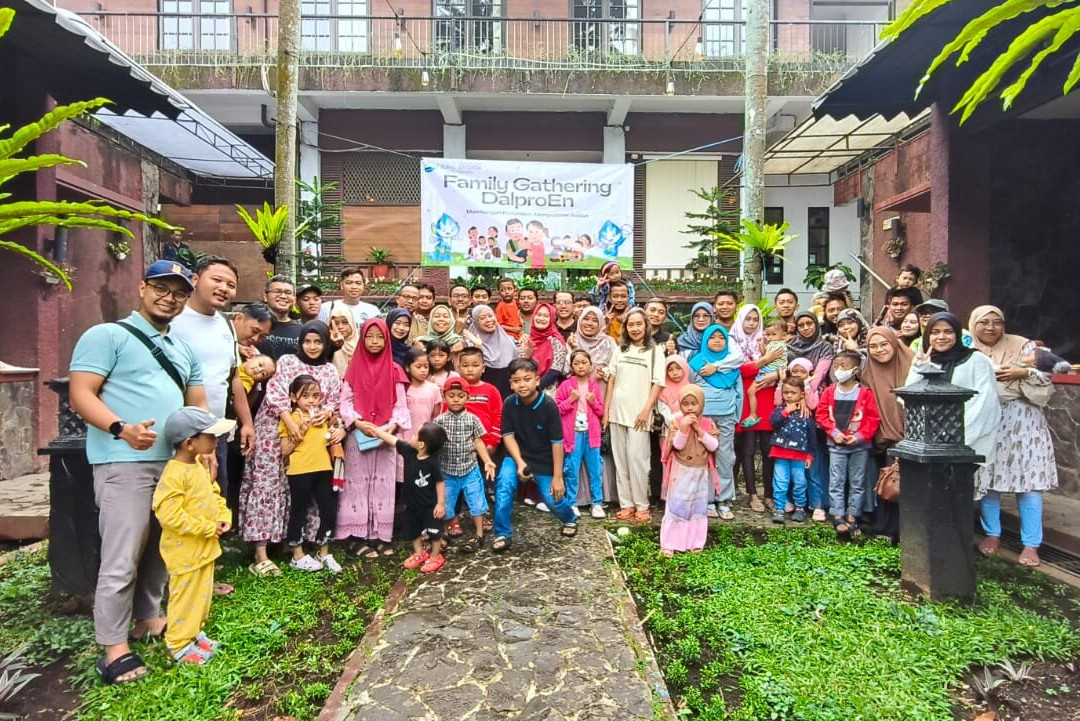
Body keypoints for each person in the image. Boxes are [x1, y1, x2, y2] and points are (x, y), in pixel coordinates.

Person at [69, 260, 207, 685]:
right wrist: (120, 428)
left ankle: (148, 616)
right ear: (143, 288)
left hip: (173, 464)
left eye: (179, 293)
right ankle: (113, 648)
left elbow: (196, 404)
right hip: (122, 461)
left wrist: (201, 446)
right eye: (162, 289)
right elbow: (80, 394)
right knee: (122, 554)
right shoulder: (107, 335)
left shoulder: (184, 350)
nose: (170, 298)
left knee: (162, 548)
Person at [240, 321, 342, 577]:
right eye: (307, 341)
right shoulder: (287, 361)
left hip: (314, 438)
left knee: (308, 491)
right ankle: (261, 553)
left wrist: (327, 413)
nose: (312, 346)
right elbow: (275, 394)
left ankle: (304, 545)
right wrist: (289, 421)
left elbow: (334, 401)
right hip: (275, 429)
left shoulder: (330, 370)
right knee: (269, 485)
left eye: (318, 341)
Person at [969, 305, 1058, 567]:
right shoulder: (968, 349)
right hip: (989, 423)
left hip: (1025, 425)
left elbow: (1050, 370)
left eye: (996, 322)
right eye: (983, 322)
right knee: (990, 480)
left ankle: (1031, 544)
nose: (990, 327)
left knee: (1029, 483)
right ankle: (993, 534)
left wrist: (1025, 372)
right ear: (973, 324)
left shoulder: (1024, 346)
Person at [152, 407, 234, 665]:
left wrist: (223, 516)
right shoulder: (175, 474)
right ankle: (177, 644)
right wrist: (207, 527)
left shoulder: (198, 465)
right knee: (184, 598)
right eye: (210, 435)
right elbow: (169, 515)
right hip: (185, 552)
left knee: (201, 596)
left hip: (203, 549)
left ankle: (194, 634)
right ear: (189, 443)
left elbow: (213, 493)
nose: (216, 440)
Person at [170, 256, 256, 501]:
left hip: (215, 429)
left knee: (213, 496)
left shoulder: (225, 325)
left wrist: (247, 423)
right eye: (216, 280)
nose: (224, 288)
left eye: (230, 284)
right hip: (181, 432)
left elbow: (233, 377)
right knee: (181, 500)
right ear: (195, 280)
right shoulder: (173, 319)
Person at [338, 318, 410, 556]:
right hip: (359, 435)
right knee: (357, 486)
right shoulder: (353, 367)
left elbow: (401, 405)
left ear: (387, 339)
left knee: (383, 485)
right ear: (362, 338)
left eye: (380, 337)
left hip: (385, 438)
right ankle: (357, 537)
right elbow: (345, 402)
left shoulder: (395, 369)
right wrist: (358, 422)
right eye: (370, 336)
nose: (375, 342)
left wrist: (390, 427)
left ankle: (380, 535)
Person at [492, 359, 579, 552]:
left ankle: (570, 518)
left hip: (545, 459)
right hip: (516, 456)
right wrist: (520, 463)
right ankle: (502, 533)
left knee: (552, 499)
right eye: (516, 380)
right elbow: (508, 436)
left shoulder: (548, 405)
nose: (522, 384)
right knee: (504, 485)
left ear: (537, 380)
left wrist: (558, 477)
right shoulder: (509, 403)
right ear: (511, 383)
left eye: (527, 379)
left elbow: (557, 443)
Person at [360, 421, 449, 574]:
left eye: (415, 435)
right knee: (413, 530)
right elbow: (393, 440)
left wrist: (440, 504)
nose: (412, 436)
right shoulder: (409, 452)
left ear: (422, 444)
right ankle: (419, 553)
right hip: (411, 504)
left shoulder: (432, 463)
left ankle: (435, 555)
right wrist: (377, 431)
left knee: (435, 532)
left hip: (429, 505)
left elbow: (440, 482)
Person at [604, 308, 666, 522]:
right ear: (625, 327)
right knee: (620, 461)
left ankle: (642, 505)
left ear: (646, 326)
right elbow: (611, 380)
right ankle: (626, 503)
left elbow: (658, 383)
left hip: (640, 414)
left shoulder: (656, 351)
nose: (635, 328)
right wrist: (606, 411)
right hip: (616, 412)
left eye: (639, 324)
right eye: (631, 325)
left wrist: (646, 410)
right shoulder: (619, 350)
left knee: (638, 460)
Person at [279, 375, 344, 573]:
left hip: (324, 468)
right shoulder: (291, 419)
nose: (311, 400)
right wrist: (300, 430)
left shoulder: (322, 417)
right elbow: (284, 450)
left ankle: (324, 552)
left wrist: (338, 429)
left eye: (315, 396)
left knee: (329, 509)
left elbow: (336, 431)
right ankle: (297, 554)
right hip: (299, 471)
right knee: (298, 510)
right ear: (293, 397)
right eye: (305, 396)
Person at [816, 350, 881, 537]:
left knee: (857, 482)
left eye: (843, 366)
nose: (839, 370)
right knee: (836, 481)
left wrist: (860, 436)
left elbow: (872, 419)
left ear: (855, 370)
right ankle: (837, 515)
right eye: (836, 366)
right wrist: (834, 433)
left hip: (859, 446)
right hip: (836, 445)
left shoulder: (865, 393)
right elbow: (821, 415)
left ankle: (853, 515)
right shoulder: (829, 391)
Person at [732, 305, 785, 515]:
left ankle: (769, 495)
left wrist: (775, 374)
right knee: (747, 450)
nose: (752, 323)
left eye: (755, 319)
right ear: (741, 320)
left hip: (769, 398)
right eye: (748, 319)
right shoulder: (734, 342)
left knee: (767, 451)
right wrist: (763, 361)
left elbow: (786, 365)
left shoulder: (769, 343)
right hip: (748, 400)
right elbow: (739, 370)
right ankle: (753, 494)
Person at [862, 326, 914, 542]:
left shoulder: (913, 366)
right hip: (883, 438)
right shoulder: (867, 372)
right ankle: (887, 529)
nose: (879, 350)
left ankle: (908, 532)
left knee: (909, 486)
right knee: (890, 483)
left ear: (894, 343)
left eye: (884, 344)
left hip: (912, 437)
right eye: (873, 346)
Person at [434, 377, 497, 553]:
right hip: (447, 471)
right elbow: (434, 446)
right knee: (446, 503)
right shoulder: (439, 421)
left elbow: (478, 442)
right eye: (451, 395)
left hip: (470, 469)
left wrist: (487, 461)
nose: (456, 399)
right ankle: (444, 533)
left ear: (467, 398)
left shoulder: (473, 419)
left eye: (460, 396)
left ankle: (478, 535)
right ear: (444, 396)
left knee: (476, 502)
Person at [688, 325, 743, 519]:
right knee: (702, 457)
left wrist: (736, 416)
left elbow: (739, 394)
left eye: (722, 337)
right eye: (713, 337)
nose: (718, 341)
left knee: (725, 457)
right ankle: (706, 499)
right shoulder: (696, 362)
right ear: (705, 341)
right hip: (702, 419)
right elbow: (690, 390)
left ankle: (724, 498)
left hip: (726, 416)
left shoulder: (732, 366)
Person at [659, 384, 721, 556]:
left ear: (701, 404)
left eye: (694, 403)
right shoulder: (676, 421)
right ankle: (669, 544)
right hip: (681, 471)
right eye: (685, 404)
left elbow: (714, 445)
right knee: (677, 506)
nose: (690, 408)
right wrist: (684, 428)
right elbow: (677, 445)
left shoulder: (708, 422)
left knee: (697, 508)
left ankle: (695, 542)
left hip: (699, 472)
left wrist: (699, 429)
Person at [556, 350, 606, 518]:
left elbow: (601, 411)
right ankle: (571, 503)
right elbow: (557, 409)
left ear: (590, 365)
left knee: (595, 469)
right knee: (572, 469)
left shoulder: (594, 386)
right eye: (576, 363)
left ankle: (597, 503)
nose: (580, 366)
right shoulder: (565, 385)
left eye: (584, 362)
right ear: (571, 366)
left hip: (592, 435)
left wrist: (592, 402)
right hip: (573, 434)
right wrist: (570, 400)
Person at [769, 378, 814, 524]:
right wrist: (786, 411)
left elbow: (811, 435)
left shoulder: (805, 412)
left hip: (799, 454)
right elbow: (774, 422)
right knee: (780, 481)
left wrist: (810, 455)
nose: (789, 395)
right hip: (780, 452)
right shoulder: (779, 409)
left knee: (800, 481)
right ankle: (779, 508)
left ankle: (800, 508)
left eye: (793, 393)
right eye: (786, 392)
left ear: (801, 394)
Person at [742, 319, 788, 428]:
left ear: (784, 335)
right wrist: (762, 347)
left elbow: (766, 358)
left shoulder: (776, 345)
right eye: (768, 334)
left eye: (773, 334)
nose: (770, 337)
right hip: (773, 373)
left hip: (767, 372)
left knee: (750, 392)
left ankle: (753, 415)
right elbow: (766, 356)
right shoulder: (780, 345)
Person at [468, 305, 519, 397]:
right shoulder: (469, 343)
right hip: (482, 396)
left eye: (490, 316)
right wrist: (478, 349)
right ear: (476, 322)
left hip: (508, 393)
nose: (488, 320)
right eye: (482, 318)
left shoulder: (509, 340)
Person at [519, 302, 569, 391]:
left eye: (546, 316)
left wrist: (534, 389)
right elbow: (519, 368)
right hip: (524, 389)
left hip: (548, 391)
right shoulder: (525, 340)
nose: (541, 318)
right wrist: (526, 356)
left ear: (552, 319)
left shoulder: (556, 341)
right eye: (538, 315)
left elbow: (555, 371)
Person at [258, 275, 302, 360]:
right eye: (277, 291)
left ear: (294, 299)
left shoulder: (302, 331)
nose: (283, 296)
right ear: (265, 296)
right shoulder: (254, 325)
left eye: (288, 293)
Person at [402, 348, 442, 442]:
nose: (423, 370)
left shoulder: (434, 389)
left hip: (426, 438)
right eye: (418, 367)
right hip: (404, 438)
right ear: (407, 368)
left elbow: (435, 416)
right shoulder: (403, 389)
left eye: (426, 366)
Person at [328, 304, 358, 376]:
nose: (340, 327)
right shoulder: (328, 345)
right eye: (336, 323)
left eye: (345, 322)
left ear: (352, 323)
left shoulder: (361, 343)